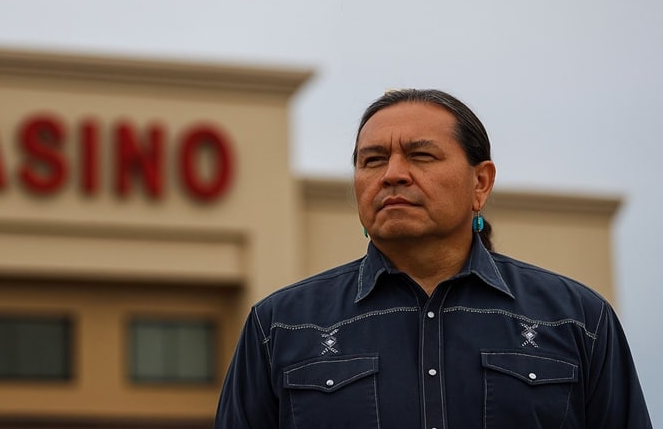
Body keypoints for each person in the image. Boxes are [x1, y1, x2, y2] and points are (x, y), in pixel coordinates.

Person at [214, 88, 652, 428]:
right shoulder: (280, 327)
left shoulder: (576, 320)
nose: (392, 174)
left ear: (481, 182)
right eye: (373, 160)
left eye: (421, 155)